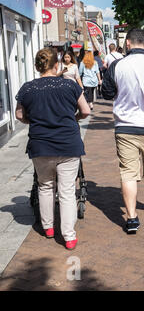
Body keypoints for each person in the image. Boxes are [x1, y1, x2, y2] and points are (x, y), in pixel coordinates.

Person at [15, 48, 90, 250]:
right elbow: (85, 110)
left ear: (37, 66)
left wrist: (34, 120)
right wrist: (73, 118)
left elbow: (19, 115)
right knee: (66, 191)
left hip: (41, 144)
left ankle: (48, 228)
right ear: (56, 65)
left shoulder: (27, 88)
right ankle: (69, 236)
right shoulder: (69, 85)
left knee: (45, 186)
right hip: (68, 144)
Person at [102, 28, 144, 234]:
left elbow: (106, 93)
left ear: (129, 44)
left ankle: (131, 218)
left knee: (128, 173)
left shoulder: (117, 65)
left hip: (125, 126)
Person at [79, 45, 102, 110]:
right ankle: (90, 102)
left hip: (86, 80)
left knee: (87, 92)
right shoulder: (95, 63)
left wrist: (79, 78)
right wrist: (99, 79)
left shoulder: (82, 63)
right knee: (91, 92)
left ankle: (89, 103)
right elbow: (97, 71)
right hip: (94, 80)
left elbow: (80, 72)